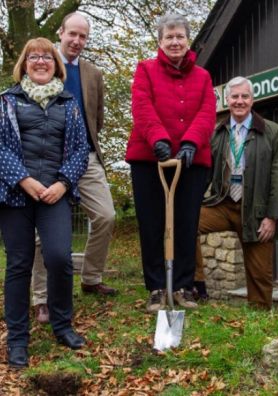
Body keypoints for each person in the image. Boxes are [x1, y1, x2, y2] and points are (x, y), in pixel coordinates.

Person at [0, 37, 89, 368]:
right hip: (15, 194)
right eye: (33, 57)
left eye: (47, 57)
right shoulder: (7, 101)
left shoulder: (69, 104)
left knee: (59, 258)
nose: (40, 61)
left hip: (55, 194)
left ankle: (62, 325)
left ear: (56, 64)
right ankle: (19, 338)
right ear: (24, 63)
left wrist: (63, 183)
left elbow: (81, 149)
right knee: (19, 265)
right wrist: (25, 180)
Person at [125, 13, 216, 313]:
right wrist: (158, 139)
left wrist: (191, 142)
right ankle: (155, 287)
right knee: (152, 223)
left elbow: (207, 112)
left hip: (191, 161)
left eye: (180, 37)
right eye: (169, 37)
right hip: (150, 158)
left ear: (188, 41)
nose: (174, 42)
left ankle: (182, 285)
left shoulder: (202, 76)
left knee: (185, 223)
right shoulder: (145, 70)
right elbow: (142, 105)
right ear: (160, 42)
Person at [32, 12, 117, 324]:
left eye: (83, 36)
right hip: (48, 160)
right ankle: (41, 299)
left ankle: (91, 278)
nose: (77, 41)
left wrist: (85, 145)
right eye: (73, 34)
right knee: (45, 232)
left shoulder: (93, 73)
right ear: (61, 32)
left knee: (106, 216)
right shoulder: (43, 64)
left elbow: (98, 118)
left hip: (86, 156)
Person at [195, 76, 278, 309]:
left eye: (244, 96)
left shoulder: (272, 132)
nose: (239, 101)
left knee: (260, 274)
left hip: (256, 211)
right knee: (185, 223)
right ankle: (196, 285)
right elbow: (205, 171)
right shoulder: (218, 133)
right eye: (234, 96)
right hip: (223, 204)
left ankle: (259, 319)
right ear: (227, 100)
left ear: (252, 99)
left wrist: (272, 217)